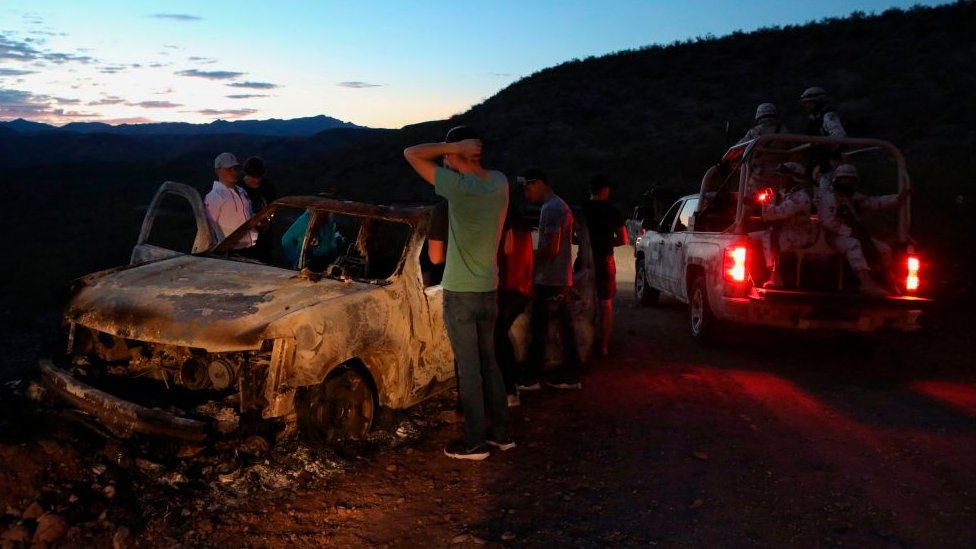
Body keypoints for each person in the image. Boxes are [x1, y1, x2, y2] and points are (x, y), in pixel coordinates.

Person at [403, 126, 514, 461]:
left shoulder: (457, 189)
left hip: (461, 291)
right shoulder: (499, 182)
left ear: (453, 156)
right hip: (488, 288)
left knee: (468, 367)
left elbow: (411, 153)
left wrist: (451, 146)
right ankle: (503, 435)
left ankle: (475, 442)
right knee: (489, 362)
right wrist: (463, 150)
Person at [518, 168, 582, 391]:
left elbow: (551, 249)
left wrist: (526, 256)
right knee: (563, 328)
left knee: (538, 329)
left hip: (550, 279)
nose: (526, 193)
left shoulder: (552, 208)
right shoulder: (558, 206)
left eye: (527, 187)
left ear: (538, 183)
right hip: (560, 277)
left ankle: (532, 378)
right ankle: (571, 376)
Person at [817, 164, 908, 296]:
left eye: (851, 180)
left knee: (884, 250)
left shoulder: (853, 197)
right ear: (838, 179)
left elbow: (873, 202)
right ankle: (865, 282)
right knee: (853, 245)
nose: (848, 183)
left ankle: (882, 279)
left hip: (854, 234)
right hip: (832, 236)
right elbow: (828, 222)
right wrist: (850, 232)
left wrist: (896, 199)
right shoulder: (830, 197)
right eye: (845, 179)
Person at [748, 162, 819, 288]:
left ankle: (775, 276)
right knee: (748, 238)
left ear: (794, 178)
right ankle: (755, 276)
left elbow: (780, 212)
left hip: (799, 233)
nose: (780, 179)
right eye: (780, 176)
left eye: (784, 177)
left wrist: (762, 208)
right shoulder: (781, 194)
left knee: (769, 237)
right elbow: (768, 213)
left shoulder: (800, 196)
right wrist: (756, 205)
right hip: (784, 230)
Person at [580, 174, 628, 356]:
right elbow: (623, 238)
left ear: (590, 191)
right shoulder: (613, 211)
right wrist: (608, 243)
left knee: (582, 302)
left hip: (584, 259)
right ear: (606, 190)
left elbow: (573, 236)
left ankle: (584, 342)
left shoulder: (580, 210)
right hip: (604, 260)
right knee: (605, 304)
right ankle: (604, 347)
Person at [495, 199, 534, 407]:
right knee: (502, 337)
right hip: (521, 289)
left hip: (511, 290)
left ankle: (509, 390)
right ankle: (512, 384)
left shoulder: (508, 231)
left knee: (498, 338)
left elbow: (504, 262)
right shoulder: (522, 230)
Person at [205, 152, 257, 250]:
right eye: (229, 169)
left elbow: (248, 214)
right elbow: (208, 227)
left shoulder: (242, 191)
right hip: (231, 250)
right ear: (218, 170)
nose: (234, 172)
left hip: (252, 247)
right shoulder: (214, 196)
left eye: (236, 169)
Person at [241, 156, 277, 262]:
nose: (256, 180)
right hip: (244, 238)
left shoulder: (268, 187)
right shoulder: (239, 188)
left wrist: (266, 221)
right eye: (253, 176)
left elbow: (273, 207)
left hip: (264, 239)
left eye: (259, 176)